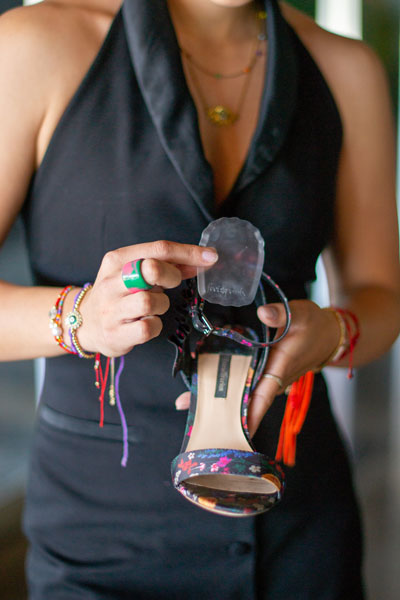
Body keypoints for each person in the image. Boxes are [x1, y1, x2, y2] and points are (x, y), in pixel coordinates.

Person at [0, 0, 399, 597]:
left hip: (301, 532)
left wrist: (336, 331)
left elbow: (382, 297)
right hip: (102, 544)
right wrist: (79, 318)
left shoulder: (344, 67)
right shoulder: (35, 45)